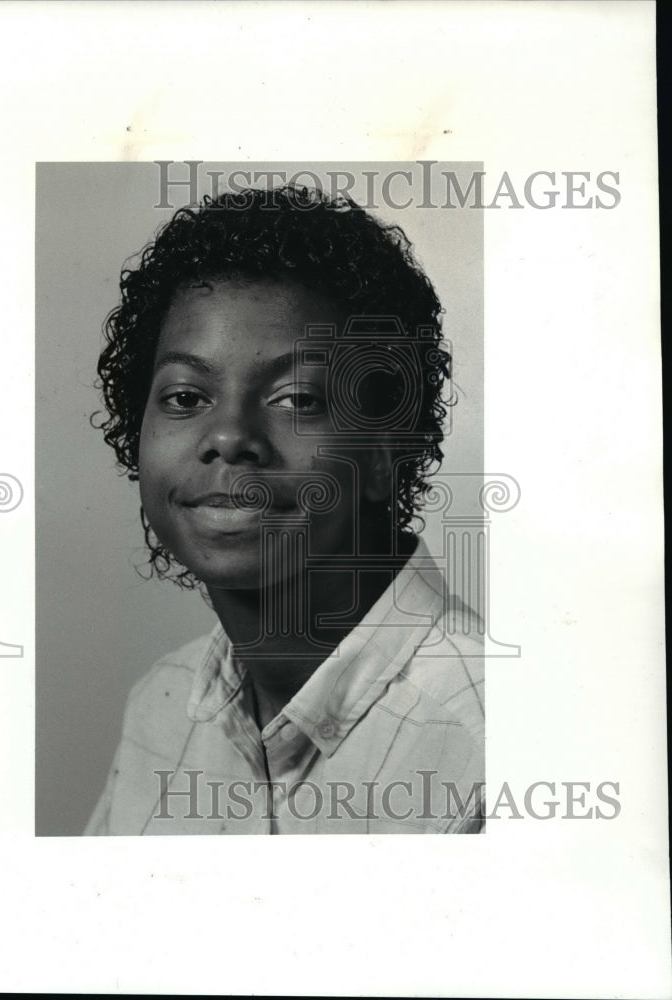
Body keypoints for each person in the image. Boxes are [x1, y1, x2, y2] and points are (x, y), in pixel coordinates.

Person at [85, 185, 484, 835]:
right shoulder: (162, 702)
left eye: (297, 399)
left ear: (385, 450)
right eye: (185, 397)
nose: (227, 435)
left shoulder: (483, 740)